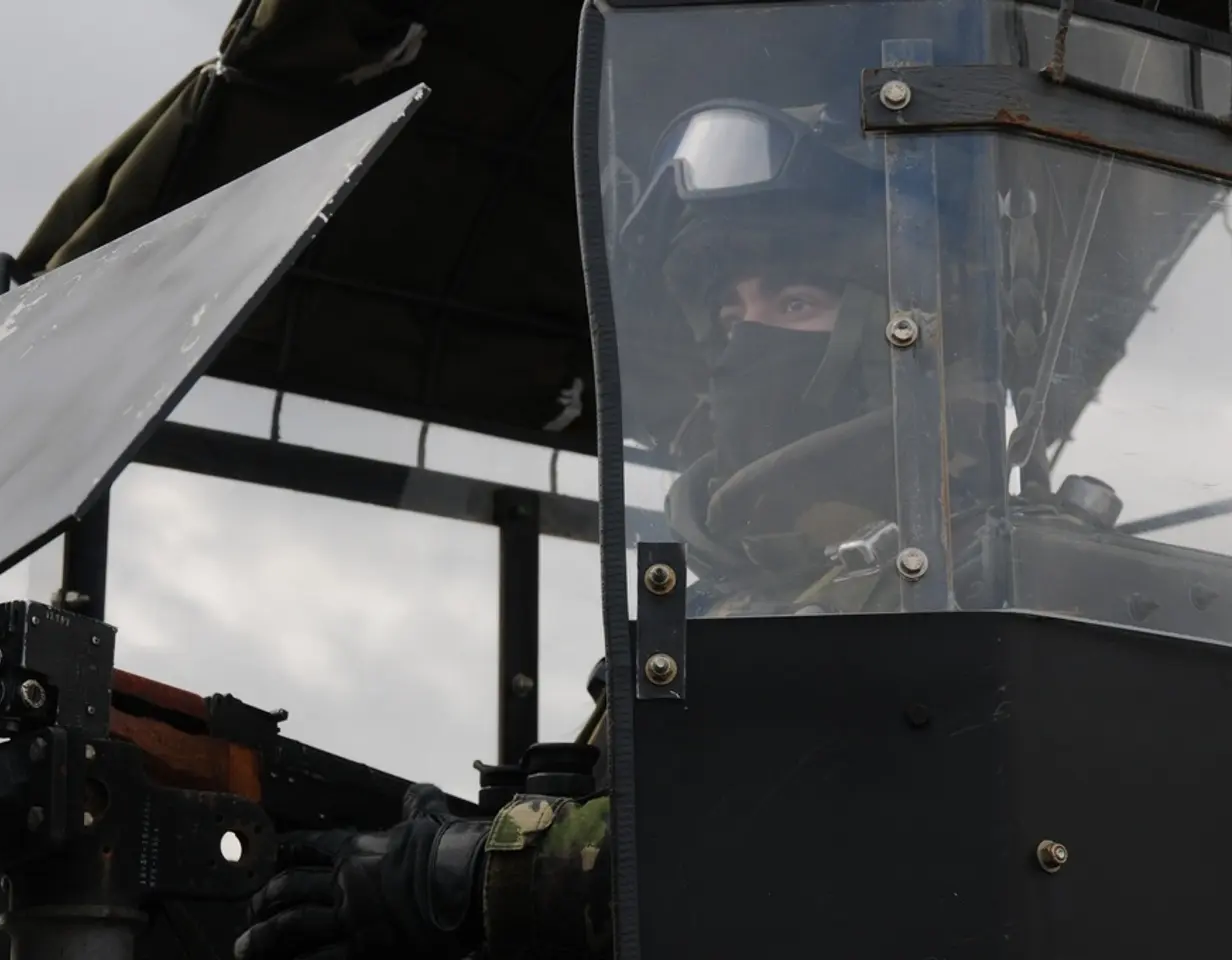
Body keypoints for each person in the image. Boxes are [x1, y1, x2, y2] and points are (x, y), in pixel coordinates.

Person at [230, 97, 944, 960]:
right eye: (726, 315)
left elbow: (803, 844)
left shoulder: (991, 573)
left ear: (908, 335)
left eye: (794, 302)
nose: (745, 341)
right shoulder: (740, 595)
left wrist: (460, 878)